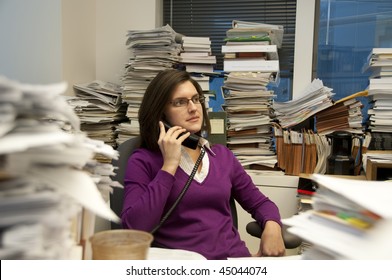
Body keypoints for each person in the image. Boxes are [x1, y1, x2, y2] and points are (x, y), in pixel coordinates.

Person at [121, 69, 285, 260]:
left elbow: (261, 203)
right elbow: (134, 228)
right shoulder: (143, 160)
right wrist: (169, 166)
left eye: (196, 99)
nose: (193, 108)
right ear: (160, 114)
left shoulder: (222, 156)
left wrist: (272, 227)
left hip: (236, 263)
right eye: (180, 102)